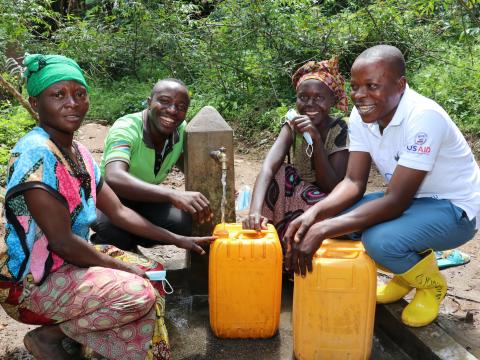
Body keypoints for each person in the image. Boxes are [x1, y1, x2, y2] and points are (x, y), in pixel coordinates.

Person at [0, 54, 214, 360]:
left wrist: (179, 240)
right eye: (58, 95)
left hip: (65, 264)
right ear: (35, 104)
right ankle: (49, 337)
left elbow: (120, 212)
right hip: (32, 282)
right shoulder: (36, 155)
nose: (71, 103)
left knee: (154, 273)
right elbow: (62, 242)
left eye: (79, 94)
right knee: (138, 291)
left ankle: (89, 339)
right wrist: (124, 269)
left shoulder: (78, 152)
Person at [284, 45, 480, 327]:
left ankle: (431, 286)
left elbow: (396, 201)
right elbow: (353, 182)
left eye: (372, 86)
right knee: (336, 219)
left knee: (378, 240)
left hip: (455, 210)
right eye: (355, 87)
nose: (360, 96)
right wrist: (314, 215)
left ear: (400, 85)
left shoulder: (424, 118)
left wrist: (323, 227)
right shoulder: (363, 115)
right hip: (415, 204)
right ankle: (405, 275)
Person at [90, 78, 213, 251]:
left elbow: (182, 159)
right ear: (149, 102)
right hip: (110, 199)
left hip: (147, 197)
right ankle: (117, 247)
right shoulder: (127, 128)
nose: (172, 110)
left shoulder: (180, 130)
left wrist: (213, 184)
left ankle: (136, 240)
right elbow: (114, 176)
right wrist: (172, 195)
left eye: (181, 107)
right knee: (113, 231)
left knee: (188, 221)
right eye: (164, 101)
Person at [243, 59, 349, 250]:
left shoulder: (340, 129)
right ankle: (267, 247)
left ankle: (297, 254)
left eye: (319, 98)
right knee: (279, 172)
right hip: (297, 196)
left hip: (326, 203)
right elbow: (268, 168)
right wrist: (255, 211)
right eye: (303, 97)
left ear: (332, 100)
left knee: (314, 198)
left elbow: (332, 186)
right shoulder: (292, 125)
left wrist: (316, 140)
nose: (310, 104)